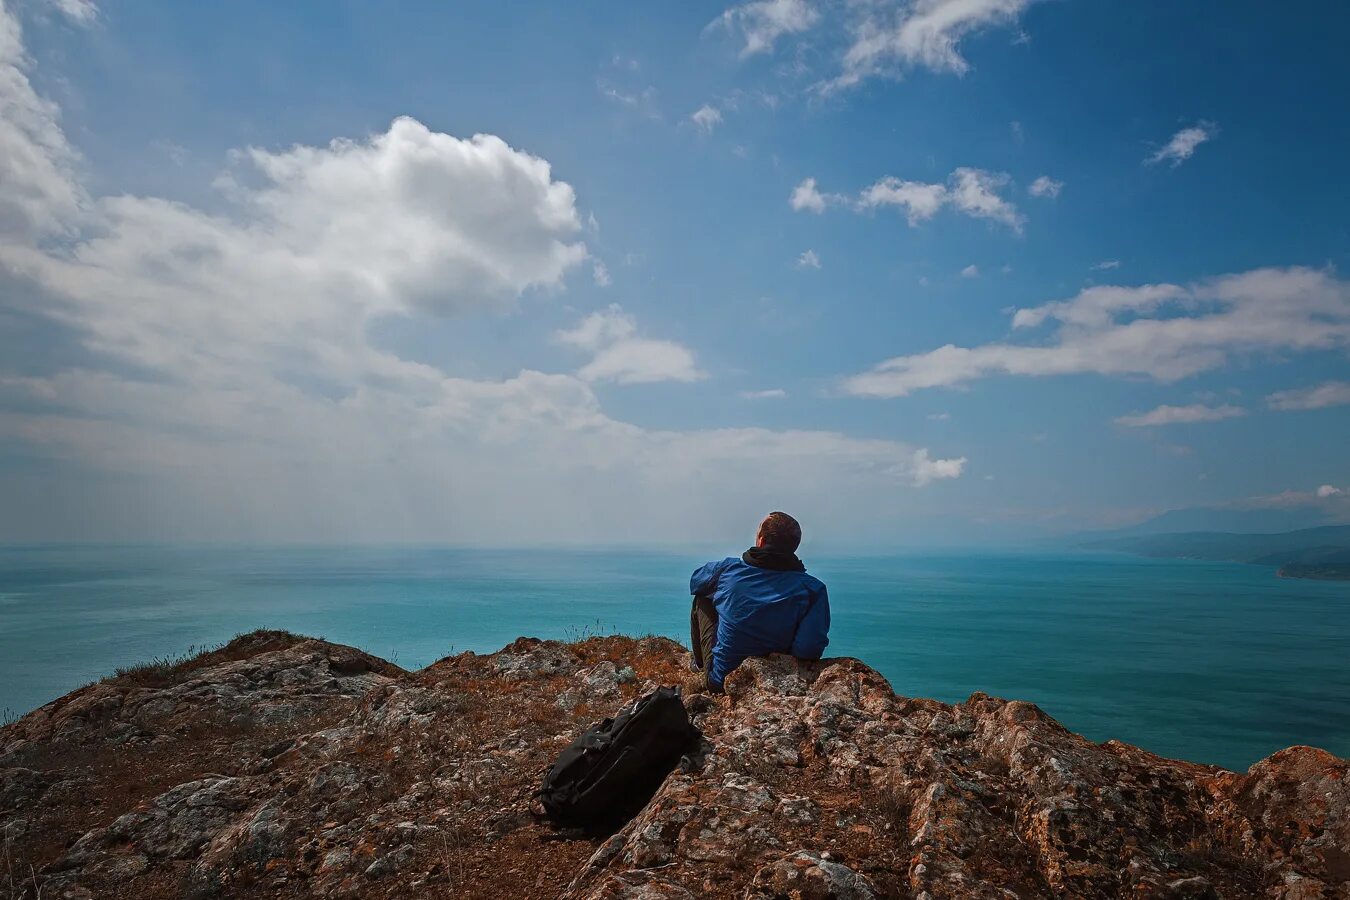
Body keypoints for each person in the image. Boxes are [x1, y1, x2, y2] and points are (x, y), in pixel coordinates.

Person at [687, 511, 830, 692]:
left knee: (703, 599)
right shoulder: (812, 589)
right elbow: (808, 649)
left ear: (761, 542)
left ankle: (701, 664)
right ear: (794, 547)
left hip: (721, 681)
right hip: (776, 682)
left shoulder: (727, 570)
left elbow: (696, 583)